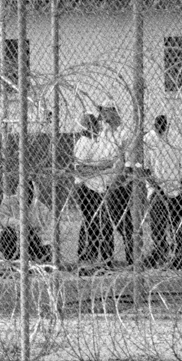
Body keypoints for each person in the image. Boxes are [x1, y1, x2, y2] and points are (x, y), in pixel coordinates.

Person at [73, 112, 116, 269]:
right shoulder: (84, 142)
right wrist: (102, 167)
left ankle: (103, 260)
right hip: (87, 189)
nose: (99, 126)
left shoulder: (93, 142)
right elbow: (80, 170)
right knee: (93, 225)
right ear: (90, 126)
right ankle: (88, 260)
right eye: (96, 124)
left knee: (98, 225)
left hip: (97, 189)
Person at [143, 114, 182, 267]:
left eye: (163, 126)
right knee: (158, 225)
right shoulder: (147, 140)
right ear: (154, 126)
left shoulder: (175, 138)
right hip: (156, 190)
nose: (161, 129)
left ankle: (178, 255)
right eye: (158, 126)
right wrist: (154, 186)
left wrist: (181, 183)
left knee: (177, 224)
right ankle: (161, 253)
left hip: (175, 188)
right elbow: (145, 168)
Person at [97, 105, 135, 266]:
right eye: (101, 111)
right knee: (104, 222)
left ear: (114, 111)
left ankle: (132, 258)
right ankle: (107, 260)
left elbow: (129, 163)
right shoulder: (103, 133)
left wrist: (118, 181)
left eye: (105, 111)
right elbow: (101, 159)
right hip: (102, 182)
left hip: (118, 184)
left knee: (122, 222)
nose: (102, 115)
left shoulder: (125, 133)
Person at [0, 180, 53, 263]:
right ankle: (15, 261)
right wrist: (20, 224)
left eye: (27, 193)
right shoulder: (8, 202)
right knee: (9, 233)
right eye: (21, 193)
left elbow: (47, 230)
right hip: (13, 236)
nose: (24, 196)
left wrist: (45, 244)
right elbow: (3, 219)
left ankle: (30, 261)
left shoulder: (41, 208)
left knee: (45, 250)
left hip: (33, 240)